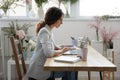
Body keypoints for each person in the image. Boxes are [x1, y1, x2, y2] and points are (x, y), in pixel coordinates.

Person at [27, 7, 77, 80]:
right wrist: (63, 51)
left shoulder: (49, 30)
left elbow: (54, 47)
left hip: (45, 66)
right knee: (71, 70)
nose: (62, 22)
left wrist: (67, 48)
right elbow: (49, 53)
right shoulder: (44, 31)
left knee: (71, 69)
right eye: (60, 19)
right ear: (54, 19)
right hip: (39, 70)